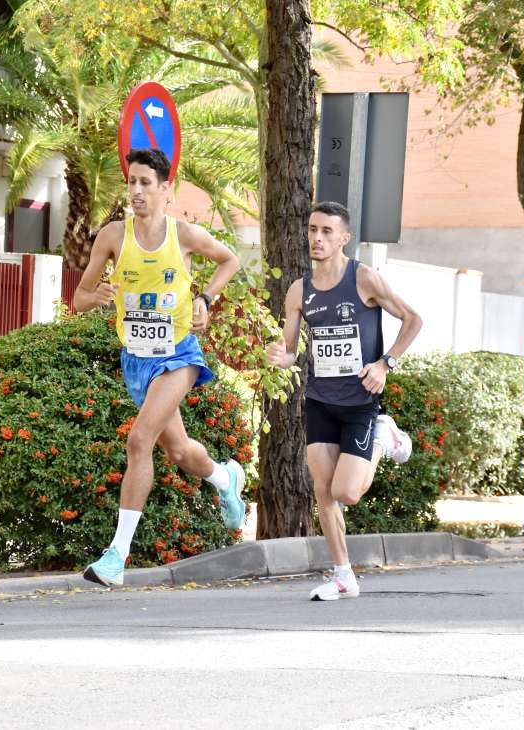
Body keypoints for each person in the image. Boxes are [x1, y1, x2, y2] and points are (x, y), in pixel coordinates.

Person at [74, 148, 246, 587]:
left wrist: (205, 297)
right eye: (131, 182)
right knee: (180, 452)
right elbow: (79, 298)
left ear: (166, 189)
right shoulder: (113, 237)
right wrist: (98, 297)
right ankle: (225, 478)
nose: (136, 191)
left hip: (178, 355)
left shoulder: (184, 234)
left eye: (145, 183)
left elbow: (230, 259)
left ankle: (117, 557)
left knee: (139, 440)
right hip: (136, 360)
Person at [266, 201, 423, 601]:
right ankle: (343, 575)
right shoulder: (300, 290)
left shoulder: (365, 279)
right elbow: (290, 350)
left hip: (359, 403)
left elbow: (412, 319)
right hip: (320, 400)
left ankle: (384, 437)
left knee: (347, 493)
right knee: (323, 490)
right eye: (312, 230)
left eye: (327, 232)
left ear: (344, 238)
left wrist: (385, 363)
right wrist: (278, 357)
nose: (317, 238)